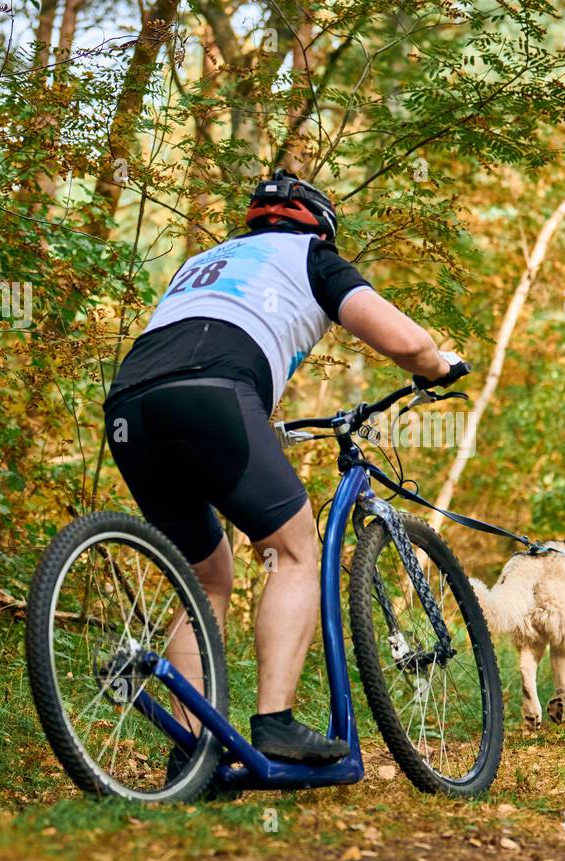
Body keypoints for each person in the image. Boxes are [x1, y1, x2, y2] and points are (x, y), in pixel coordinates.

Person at [103, 170, 466, 765]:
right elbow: (403, 341)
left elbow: (206, 334)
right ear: (318, 224)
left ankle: (193, 751)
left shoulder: (202, 262)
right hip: (214, 396)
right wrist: (435, 365)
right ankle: (275, 723)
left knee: (206, 576)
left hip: (129, 408)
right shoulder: (313, 257)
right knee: (294, 551)